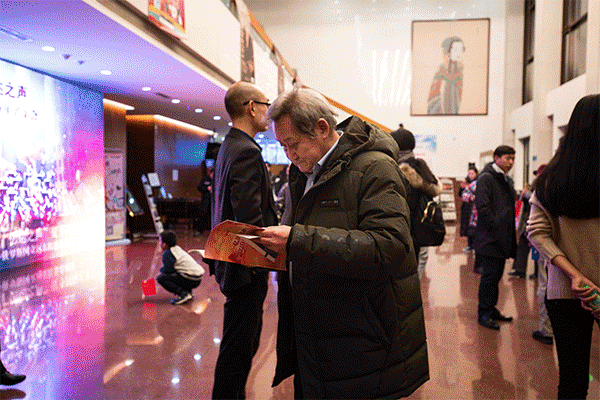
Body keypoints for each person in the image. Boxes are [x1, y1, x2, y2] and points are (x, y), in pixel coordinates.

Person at [258, 88, 429, 399]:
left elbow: (388, 247)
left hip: (362, 342)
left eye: (293, 144)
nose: (288, 154)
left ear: (322, 128)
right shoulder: (301, 173)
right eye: (282, 146)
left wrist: (297, 241)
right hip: (315, 335)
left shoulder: (375, 168)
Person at [526, 94, 600, 399]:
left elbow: (537, 232)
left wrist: (575, 275)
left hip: (566, 290)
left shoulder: (551, 178)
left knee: (572, 379)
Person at [210, 81, 278, 399]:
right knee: (239, 350)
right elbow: (249, 219)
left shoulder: (230, 145)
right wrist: (266, 259)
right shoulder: (247, 151)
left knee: (239, 346)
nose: (268, 111)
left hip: (231, 261)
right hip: (245, 267)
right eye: (265, 104)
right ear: (252, 107)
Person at [474, 145, 517, 330]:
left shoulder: (504, 177)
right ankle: (484, 312)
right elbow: (482, 207)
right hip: (490, 238)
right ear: (496, 158)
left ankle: (491, 309)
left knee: (497, 276)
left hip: (501, 237)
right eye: (507, 158)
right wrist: (495, 225)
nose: (511, 162)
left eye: (513, 158)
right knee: (489, 277)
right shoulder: (486, 177)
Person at [391, 126, 441, 278]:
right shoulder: (420, 165)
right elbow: (433, 188)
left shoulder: (395, 168)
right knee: (415, 264)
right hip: (419, 226)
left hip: (400, 228)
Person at [156, 230, 205, 305]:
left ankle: (183, 294)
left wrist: (161, 271)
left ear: (164, 244)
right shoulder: (177, 249)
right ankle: (188, 293)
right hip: (197, 278)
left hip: (191, 279)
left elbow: (169, 270)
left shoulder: (168, 254)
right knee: (180, 272)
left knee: (161, 278)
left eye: (160, 241)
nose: (159, 243)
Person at [428, 36, 465, 115]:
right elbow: (433, 96)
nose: (459, 53)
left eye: (461, 50)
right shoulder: (442, 70)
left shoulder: (461, 70)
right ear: (448, 52)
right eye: (456, 50)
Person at [459, 165, 478, 252]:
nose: (470, 175)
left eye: (472, 173)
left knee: (473, 228)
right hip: (466, 208)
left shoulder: (478, 182)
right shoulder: (466, 182)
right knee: (467, 227)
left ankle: (474, 245)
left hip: (474, 209)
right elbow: (461, 194)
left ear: (476, 173)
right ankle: (470, 245)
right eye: (469, 173)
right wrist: (462, 188)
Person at [194, 165, 213, 235]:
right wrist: (207, 188)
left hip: (214, 203)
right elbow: (199, 187)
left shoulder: (217, 180)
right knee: (203, 216)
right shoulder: (205, 179)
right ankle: (200, 231)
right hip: (206, 202)